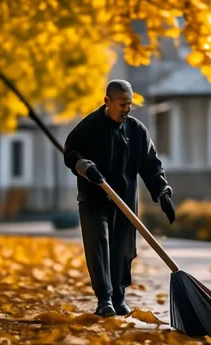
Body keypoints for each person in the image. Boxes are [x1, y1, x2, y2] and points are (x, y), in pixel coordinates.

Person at [63, 79, 175, 317]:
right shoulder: (89, 128)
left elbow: (150, 163)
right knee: (99, 245)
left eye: (129, 104)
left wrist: (162, 191)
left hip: (125, 200)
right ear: (107, 102)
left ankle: (119, 296)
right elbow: (71, 152)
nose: (127, 109)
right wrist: (84, 166)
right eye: (122, 104)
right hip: (94, 199)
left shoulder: (136, 131)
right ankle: (104, 299)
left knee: (123, 248)